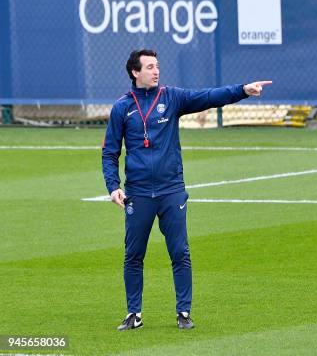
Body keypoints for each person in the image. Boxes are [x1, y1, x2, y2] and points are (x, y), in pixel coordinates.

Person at [102, 49, 271, 331]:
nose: (156, 71)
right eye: (150, 67)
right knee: (133, 255)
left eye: (157, 66)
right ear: (135, 72)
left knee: (180, 252)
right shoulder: (122, 108)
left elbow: (207, 97)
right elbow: (110, 153)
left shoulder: (172, 97)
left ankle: (183, 312)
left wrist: (242, 90)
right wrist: (113, 186)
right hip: (138, 193)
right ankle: (134, 314)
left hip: (171, 190)